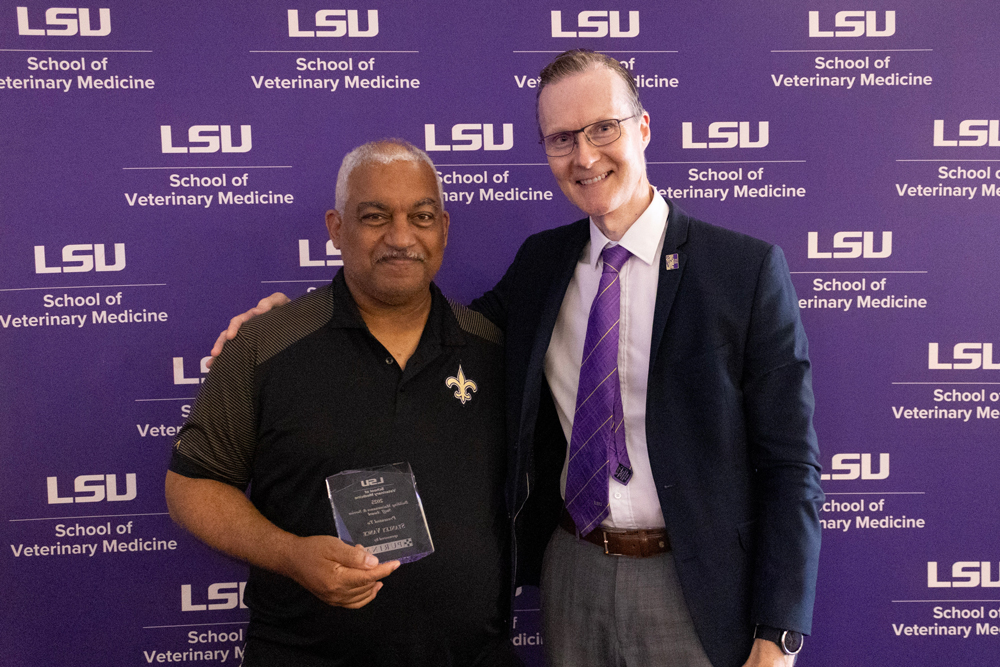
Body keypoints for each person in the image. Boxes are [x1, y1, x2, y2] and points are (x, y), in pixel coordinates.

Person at [215, 50, 823, 667]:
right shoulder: (541, 265)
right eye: (562, 139)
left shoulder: (743, 271)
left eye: (603, 128)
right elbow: (430, 325)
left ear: (642, 128)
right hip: (572, 570)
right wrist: (289, 318)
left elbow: (791, 464)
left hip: (696, 584)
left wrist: (779, 634)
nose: (584, 156)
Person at [166, 139, 520, 666]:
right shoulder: (265, 345)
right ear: (336, 228)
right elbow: (192, 487)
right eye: (375, 216)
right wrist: (290, 555)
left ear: (443, 228)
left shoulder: (495, 350)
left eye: (421, 217)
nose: (401, 237)